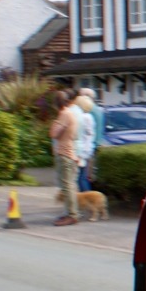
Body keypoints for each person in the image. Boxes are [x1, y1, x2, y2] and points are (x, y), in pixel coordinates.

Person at [49, 90, 80, 225]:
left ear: (56, 103)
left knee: (67, 186)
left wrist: (55, 122)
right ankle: (69, 213)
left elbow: (53, 133)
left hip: (65, 154)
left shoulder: (64, 114)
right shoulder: (70, 113)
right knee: (69, 185)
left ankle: (72, 215)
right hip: (69, 152)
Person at [75, 93, 97, 192]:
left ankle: (86, 198)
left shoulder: (82, 117)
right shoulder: (89, 117)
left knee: (81, 178)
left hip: (82, 151)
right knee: (83, 176)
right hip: (88, 150)